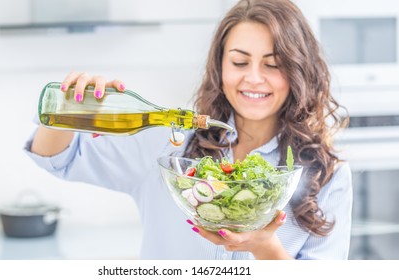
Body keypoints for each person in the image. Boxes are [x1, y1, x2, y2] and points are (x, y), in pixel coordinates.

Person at [25, 0, 352, 260]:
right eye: (239, 62)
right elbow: (57, 157)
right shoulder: (168, 145)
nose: (253, 78)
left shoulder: (328, 174)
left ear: (299, 71)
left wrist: (265, 247)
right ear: (220, 66)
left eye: (273, 64)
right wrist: (67, 110)